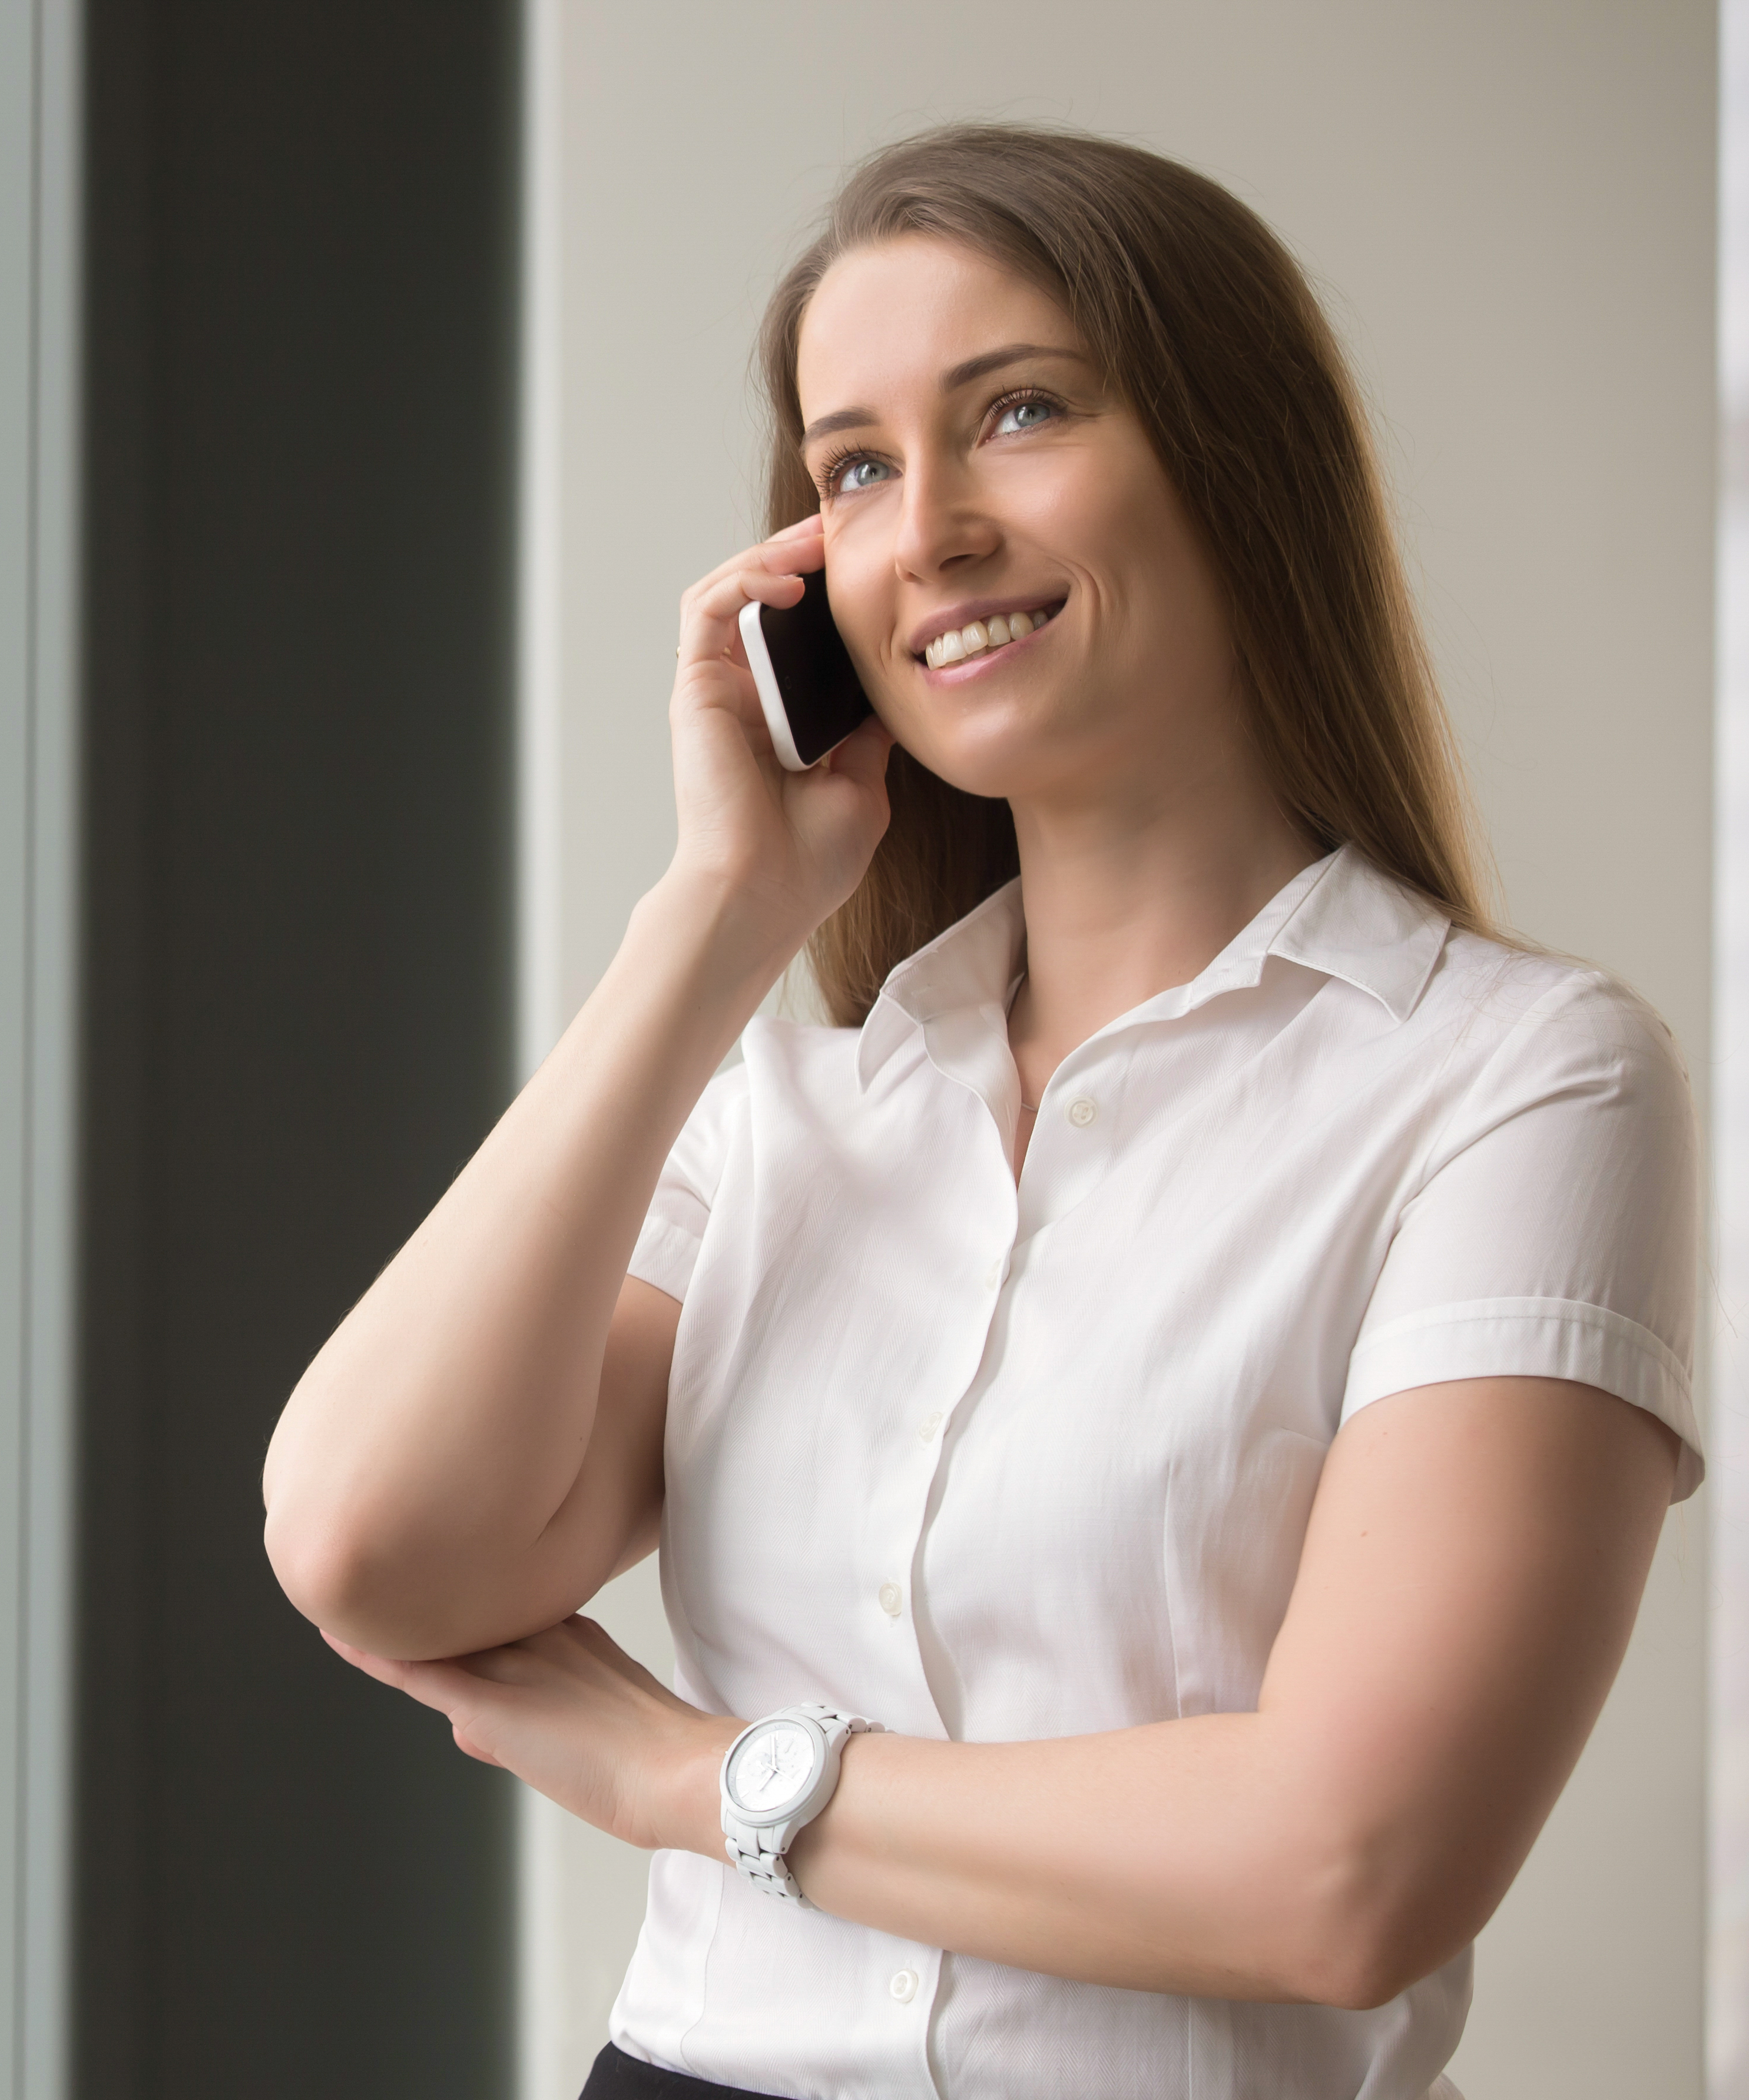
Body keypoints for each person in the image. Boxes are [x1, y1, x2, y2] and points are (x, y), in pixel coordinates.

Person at [259, 124, 1699, 2100]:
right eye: (853, 468)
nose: (925, 529)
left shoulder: (1522, 1084)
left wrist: (707, 1781)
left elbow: (1350, 1871)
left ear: (1233, 458)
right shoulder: (782, 1097)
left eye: (1017, 412)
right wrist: (715, 919)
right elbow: (368, 1543)